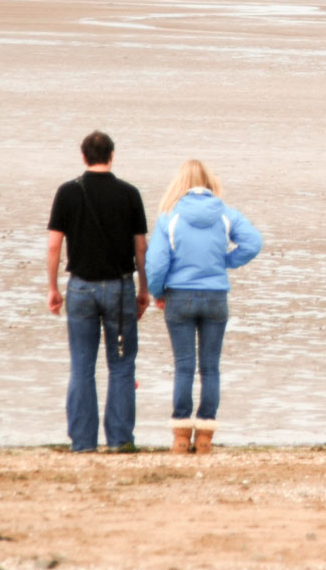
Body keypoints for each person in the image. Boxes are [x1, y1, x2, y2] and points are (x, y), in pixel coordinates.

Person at [146, 159, 263, 455]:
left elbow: (157, 263)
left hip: (179, 297)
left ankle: (181, 437)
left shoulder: (168, 217)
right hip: (215, 297)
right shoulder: (225, 214)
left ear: (180, 183)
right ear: (210, 182)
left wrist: (157, 292)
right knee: (210, 368)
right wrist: (225, 262)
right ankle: (205, 437)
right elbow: (253, 243)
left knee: (184, 367)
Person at [45, 130, 149, 453]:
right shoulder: (129, 194)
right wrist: (144, 288)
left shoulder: (67, 192)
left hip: (80, 287)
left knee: (81, 365)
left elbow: (53, 246)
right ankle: (119, 440)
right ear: (112, 156)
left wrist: (53, 288)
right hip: (119, 288)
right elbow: (141, 248)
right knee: (121, 365)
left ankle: (83, 442)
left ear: (83, 156)